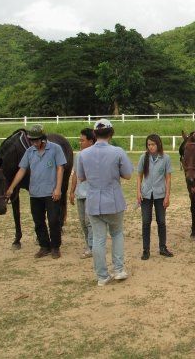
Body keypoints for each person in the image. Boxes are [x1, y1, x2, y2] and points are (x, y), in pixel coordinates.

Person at [77, 119, 134, 287]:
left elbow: (81, 177)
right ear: (111, 133)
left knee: (98, 239)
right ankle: (118, 269)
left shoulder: (84, 154)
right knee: (117, 234)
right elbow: (128, 174)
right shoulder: (117, 151)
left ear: (94, 134)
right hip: (113, 200)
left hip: (93, 201)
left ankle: (102, 276)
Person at [6, 124, 67, 259]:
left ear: (43, 138)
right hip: (35, 193)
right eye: (32, 140)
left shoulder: (55, 149)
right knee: (38, 221)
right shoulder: (29, 152)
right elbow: (22, 170)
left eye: (36, 140)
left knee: (53, 221)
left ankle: (55, 247)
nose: (34, 143)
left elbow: (60, 169)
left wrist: (58, 188)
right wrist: (11, 187)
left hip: (51, 192)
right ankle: (44, 246)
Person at [137, 134, 173, 260]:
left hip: (160, 194)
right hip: (146, 194)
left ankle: (162, 247)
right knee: (146, 222)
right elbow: (139, 176)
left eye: (153, 144)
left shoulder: (166, 158)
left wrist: (167, 196)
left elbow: (168, 178)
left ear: (158, 144)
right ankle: (145, 250)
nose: (150, 147)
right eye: (148, 145)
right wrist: (138, 192)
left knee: (161, 222)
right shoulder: (143, 157)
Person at [69, 128, 95, 259]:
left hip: (92, 193)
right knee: (82, 222)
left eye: (82, 140)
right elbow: (75, 174)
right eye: (80, 140)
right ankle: (89, 244)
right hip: (80, 193)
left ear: (90, 141)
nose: (80, 142)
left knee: (89, 221)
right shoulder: (78, 156)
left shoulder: (95, 155)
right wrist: (71, 191)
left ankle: (92, 247)